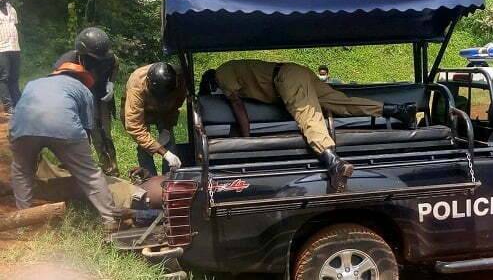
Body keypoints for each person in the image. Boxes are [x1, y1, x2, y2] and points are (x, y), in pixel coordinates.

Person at [206, 60, 417, 192]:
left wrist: (246, 139)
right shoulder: (231, 68)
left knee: (308, 117)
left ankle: (333, 162)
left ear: (210, 82)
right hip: (294, 72)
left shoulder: (222, 74)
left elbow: (238, 108)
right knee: (341, 103)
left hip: (285, 80)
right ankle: (397, 110)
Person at [9, 62, 121, 230]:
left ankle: (23, 223)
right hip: (64, 127)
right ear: (82, 79)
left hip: (23, 127)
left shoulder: (33, 83)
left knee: (21, 172)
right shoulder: (83, 89)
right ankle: (111, 220)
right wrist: (78, 160)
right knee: (90, 175)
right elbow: (87, 127)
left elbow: (22, 108)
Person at [54, 27, 119, 175]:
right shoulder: (67, 61)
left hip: (101, 95)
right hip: (78, 97)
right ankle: (75, 169)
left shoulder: (108, 56)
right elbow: (58, 84)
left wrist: (111, 83)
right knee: (80, 131)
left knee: (103, 133)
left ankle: (110, 168)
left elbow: (115, 63)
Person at [122, 62, 186, 176]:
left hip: (165, 109)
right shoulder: (136, 84)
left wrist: (167, 127)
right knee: (144, 147)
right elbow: (135, 126)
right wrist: (165, 154)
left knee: (169, 141)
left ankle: (170, 177)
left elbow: (177, 102)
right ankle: (149, 178)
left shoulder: (179, 78)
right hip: (142, 110)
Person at [0, 0, 22, 115]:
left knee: (14, 77)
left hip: (15, 48)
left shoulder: (12, 10)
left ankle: (18, 102)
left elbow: (15, 26)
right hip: (1, 49)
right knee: (4, 77)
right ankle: (8, 106)